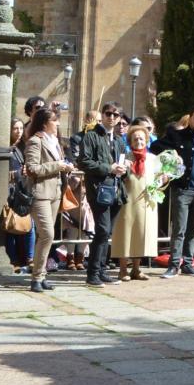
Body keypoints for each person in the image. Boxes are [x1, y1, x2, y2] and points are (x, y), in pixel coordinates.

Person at [152, 105, 194, 278]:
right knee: (179, 228)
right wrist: (172, 159)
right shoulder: (177, 136)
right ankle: (174, 264)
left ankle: (188, 263)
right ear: (190, 118)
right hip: (182, 189)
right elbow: (155, 147)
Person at [22, 107, 77, 293]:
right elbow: (32, 168)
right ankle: (36, 277)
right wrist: (58, 166)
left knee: (44, 236)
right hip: (40, 194)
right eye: (55, 120)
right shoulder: (35, 141)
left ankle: (41, 275)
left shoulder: (55, 142)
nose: (58, 123)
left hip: (55, 193)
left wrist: (66, 167)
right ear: (45, 123)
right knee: (47, 234)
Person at [74, 103, 128, 286]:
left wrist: (123, 169)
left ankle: (102, 269)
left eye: (116, 114)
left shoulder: (119, 140)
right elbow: (84, 162)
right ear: (103, 116)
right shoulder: (91, 136)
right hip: (98, 190)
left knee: (107, 232)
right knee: (103, 230)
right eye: (108, 114)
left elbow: (120, 162)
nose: (112, 117)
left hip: (116, 190)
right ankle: (93, 274)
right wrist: (109, 168)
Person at [114, 124, 160, 280]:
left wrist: (164, 179)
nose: (139, 141)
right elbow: (117, 177)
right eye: (135, 139)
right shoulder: (125, 157)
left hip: (146, 201)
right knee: (125, 234)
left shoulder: (154, 159)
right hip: (127, 200)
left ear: (146, 140)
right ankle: (122, 270)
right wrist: (122, 170)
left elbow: (161, 178)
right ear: (130, 142)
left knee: (141, 234)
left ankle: (136, 269)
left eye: (141, 138)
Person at [4, 119, 33, 272]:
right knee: (10, 225)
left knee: (29, 225)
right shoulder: (6, 148)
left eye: (21, 128)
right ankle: (12, 259)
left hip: (21, 191)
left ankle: (29, 258)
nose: (19, 131)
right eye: (15, 128)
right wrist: (17, 173)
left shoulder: (22, 148)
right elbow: (0, 172)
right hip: (8, 192)